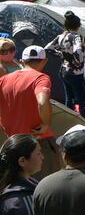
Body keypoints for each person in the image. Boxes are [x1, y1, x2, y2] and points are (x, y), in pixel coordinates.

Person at [0, 46, 57, 177]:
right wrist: (45, 124)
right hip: (38, 142)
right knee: (45, 186)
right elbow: (42, 102)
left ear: (21, 60)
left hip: (13, 143)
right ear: (44, 61)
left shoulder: (3, 80)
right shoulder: (41, 78)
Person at [44, 11, 85, 120]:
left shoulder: (60, 36)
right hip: (76, 72)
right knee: (82, 98)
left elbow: (47, 49)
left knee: (69, 97)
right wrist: (78, 62)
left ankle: (69, 118)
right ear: (78, 26)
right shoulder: (76, 37)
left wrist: (62, 55)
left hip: (64, 70)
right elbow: (78, 51)